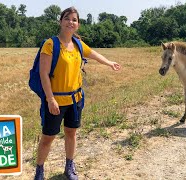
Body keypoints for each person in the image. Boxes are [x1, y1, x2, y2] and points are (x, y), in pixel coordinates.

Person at [33, 6, 121, 180]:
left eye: (74, 20)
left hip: (75, 100)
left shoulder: (78, 44)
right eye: (67, 18)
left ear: (78, 24)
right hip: (55, 101)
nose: (70, 22)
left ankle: (69, 166)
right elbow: (43, 74)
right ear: (60, 21)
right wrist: (50, 99)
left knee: (71, 133)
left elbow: (93, 54)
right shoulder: (50, 44)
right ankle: (39, 171)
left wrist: (109, 62)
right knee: (48, 138)